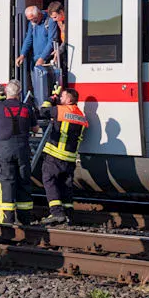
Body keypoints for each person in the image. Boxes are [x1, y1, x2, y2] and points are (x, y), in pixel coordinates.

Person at [0, 80, 38, 226]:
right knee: (23, 182)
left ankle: (7, 220)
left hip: (5, 149)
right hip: (23, 149)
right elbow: (35, 129)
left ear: (6, 93)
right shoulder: (27, 108)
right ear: (19, 94)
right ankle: (25, 219)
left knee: (7, 183)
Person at [38, 88, 88, 226]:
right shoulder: (81, 116)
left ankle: (56, 213)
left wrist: (51, 98)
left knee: (49, 181)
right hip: (70, 159)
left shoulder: (61, 110)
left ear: (70, 100)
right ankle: (68, 214)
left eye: (63, 96)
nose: (60, 98)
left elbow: (42, 111)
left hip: (55, 155)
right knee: (65, 186)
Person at [16, 5, 60, 103]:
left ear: (39, 14)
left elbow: (51, 42)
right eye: (30, 20)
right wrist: (22, 54)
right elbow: (29, 39)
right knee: (37, 88)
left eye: (34, 19)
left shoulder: (50, 22)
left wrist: (42, 58)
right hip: (35, 60)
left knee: (46, 88)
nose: (32, 21)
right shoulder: (32, 24)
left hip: (47, 61)